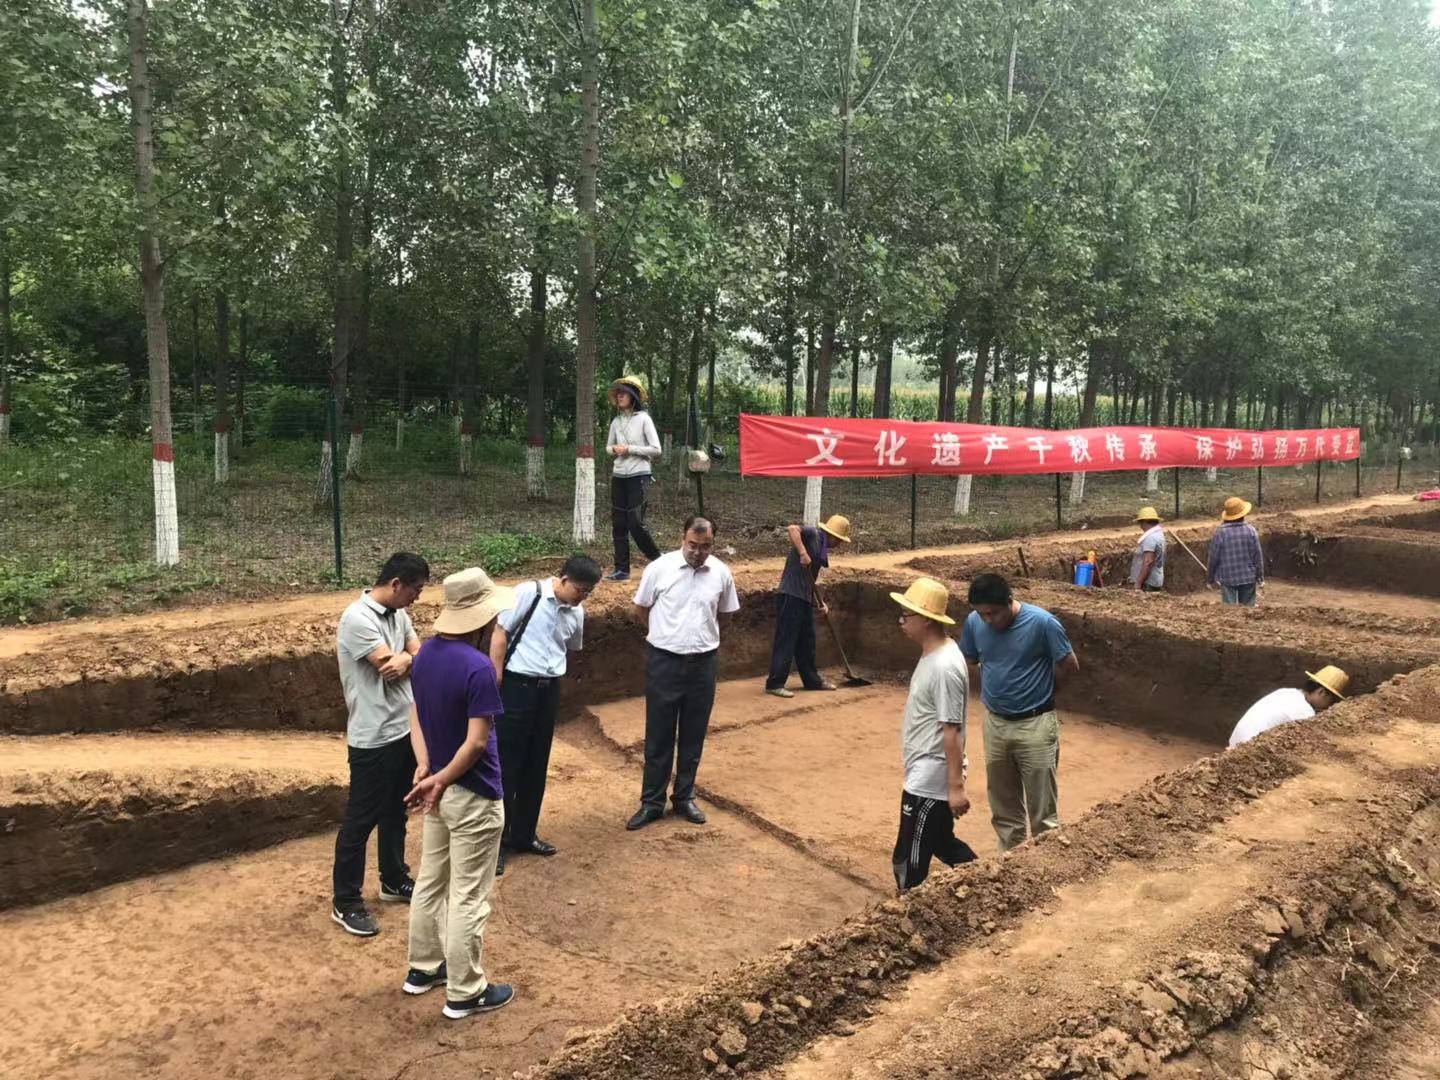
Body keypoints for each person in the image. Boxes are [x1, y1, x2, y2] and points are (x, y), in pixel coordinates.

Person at [402, 567, 517, 1020]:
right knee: (469, 894)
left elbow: (415, 713)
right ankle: (466, 991)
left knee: (431, 881)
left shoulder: (426, 654)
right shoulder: (478, 668)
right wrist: (444, 777)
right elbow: (476, 743)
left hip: (438, 789)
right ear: (482, 617)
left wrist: (426, 767)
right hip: (472, 793)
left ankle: (423, 968)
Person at [331, 552, 429, 937]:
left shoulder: (398, 614)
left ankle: (393, 878)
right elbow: (388, 667)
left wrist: (408, 659)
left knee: (395, 810)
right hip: (372, 737)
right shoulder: (357, 618)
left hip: (403, 729)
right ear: (396, 584)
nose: (418, 597)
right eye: (415, 589)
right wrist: (407, 658)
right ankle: (346, 901)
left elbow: (417, 656)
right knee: (361, 819)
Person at [489, 554, 603, 876]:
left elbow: (570, 647)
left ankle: (524, 835)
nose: (582, 597)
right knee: (507, 765)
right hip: (516, 686)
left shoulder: (576, 611)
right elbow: (500, 633)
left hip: (548, 690)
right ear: (564, 579)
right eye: (579, 590)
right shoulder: (528, 593)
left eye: (588, 592)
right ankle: (496, 845)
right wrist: (495, 678)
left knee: (536, 763)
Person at [626, 515, 741, 830]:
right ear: (683, 539)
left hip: (703, 664)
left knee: (693, 733)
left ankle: (684, 797)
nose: (698, 552)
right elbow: (641, 609)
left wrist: (705, 640)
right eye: (693, 545)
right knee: (659, 735)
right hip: (664, 662)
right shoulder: (659, 568)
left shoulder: (721, 573)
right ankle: (652, 802)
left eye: (705, 546)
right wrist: (665, 636)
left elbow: (726, 615)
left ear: (713, 544)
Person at [960, 573, 1080, 853]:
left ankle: (1044, 861)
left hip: (1036, 723)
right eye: (982, 613)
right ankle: (1009, 862)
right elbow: (970, 659)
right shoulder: (974, 622)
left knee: (1043, 810)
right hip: (995, 723)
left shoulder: (1043, 623)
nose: (988, 620)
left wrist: (1046, 694)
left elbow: (1069, 665)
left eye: (993, 613)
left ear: (1010, 601)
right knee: (1003, 805)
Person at [889, 577, 977, 891]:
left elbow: (951, 729)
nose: (901, 622)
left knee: (908, 856)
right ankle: (986, 882)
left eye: (906, 616)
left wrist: (955, 788)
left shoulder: (944, 667)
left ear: (926, 620)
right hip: (925, 768)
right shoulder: (936, 654)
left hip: (929, 777)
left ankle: (906, 903)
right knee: (941, 841)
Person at [765, 513, 851, 698]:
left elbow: (809, 579)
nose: (839, 544)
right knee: (787, 640)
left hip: (803, 597)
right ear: (832, 536)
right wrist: (803, 553)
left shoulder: (821, 547)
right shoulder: (813, 534)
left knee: (807, 641)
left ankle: (812, 681)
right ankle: (775, 683)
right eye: (839, 540)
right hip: (790, 595)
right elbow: (792, 529)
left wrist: (820, 602)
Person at [604, 375, 663, 582]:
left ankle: (658, 560)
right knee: (619, 523)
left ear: (633, 396)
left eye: (624, 393)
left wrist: (630, 449)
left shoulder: (644, 419)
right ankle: (622, 570)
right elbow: (608, 447)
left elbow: (656, 449)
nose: (619, 397)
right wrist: (615, 450)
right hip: (618, 475)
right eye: (618, 393)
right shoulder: (616, 421)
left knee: (635, 522)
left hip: (639, 475)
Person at [1227, 665, 1349, 748]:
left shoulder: (1286, 691)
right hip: (1248, 749)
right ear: (1321, 692)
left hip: (1235, 741)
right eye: (1330, 700)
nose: (1328, 706)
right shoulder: (1305, 712)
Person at [1207, 497, 1264, 606]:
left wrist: (1210, 578)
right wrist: (1260, 578)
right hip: (1248, 577)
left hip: (1227, 577)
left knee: (1230, 611)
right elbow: (1257, 557)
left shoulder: (1220, 533)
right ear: (1243, 514)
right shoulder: (1251, 531)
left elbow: (1213, 557)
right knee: (1248, 610)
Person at [1129, 507, 1166, 591]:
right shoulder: (1159, 534)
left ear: (1145, 522)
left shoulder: (1150, 538)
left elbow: (1148, 562)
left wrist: (1138, 583)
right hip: (1155, 580)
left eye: (1140, 522)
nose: (1140, 526)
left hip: (1147, 583)